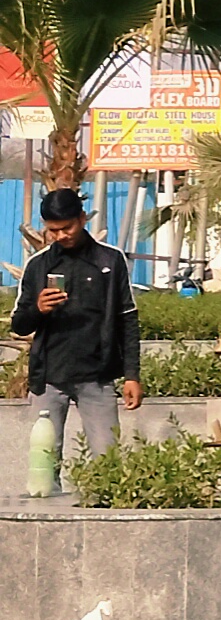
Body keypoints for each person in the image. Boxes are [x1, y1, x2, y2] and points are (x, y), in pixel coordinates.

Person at [11, 188, 143, 478]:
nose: (61, 236)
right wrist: (38, 309)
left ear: (82, 219)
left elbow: (127, 319)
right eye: (53, 230)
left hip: (98, 377)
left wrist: (132, 375)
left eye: (67, 228)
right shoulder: (38, 265)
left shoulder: (110, 260)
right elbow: (19, 325)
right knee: (43, 466)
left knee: (107, 464)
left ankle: (103, 507)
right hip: (49, 379)